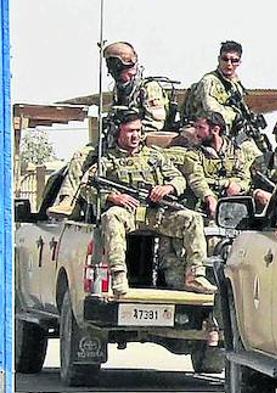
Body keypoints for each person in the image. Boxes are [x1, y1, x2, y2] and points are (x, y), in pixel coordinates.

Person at [80, 112, 216, 297]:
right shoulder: (106, 161)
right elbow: (86, 188)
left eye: (138, 130)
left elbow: (179, 179)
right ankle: (119, 276)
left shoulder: (154, 156)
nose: (135, 136)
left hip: (157, 213)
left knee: (192, 218)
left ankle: (195, 275)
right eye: (129, 131)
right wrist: (112, 197)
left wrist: (167, 188)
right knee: (111, 216)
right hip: (129, 213)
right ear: (118, 133)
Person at [47, 41, 172, 217]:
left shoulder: (148, 88)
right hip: (115, 140)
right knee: (81, 156)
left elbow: (155, 123)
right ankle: (67, 200)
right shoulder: (118, 89)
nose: (123, 78)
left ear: (134, 67)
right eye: (118, 75)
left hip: (138, 143)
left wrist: (130, 134)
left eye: (125, 74)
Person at [182, 40, 262, 167]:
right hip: (207, 131)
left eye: (234, 61)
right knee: (254, 158)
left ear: (239, 62)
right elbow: (212, 111)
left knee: (261, 157)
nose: (229, 64)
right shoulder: (210, 81)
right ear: (219, 59)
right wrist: (235, 116)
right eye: (225, 59)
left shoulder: (235, 84)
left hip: (229, 133)